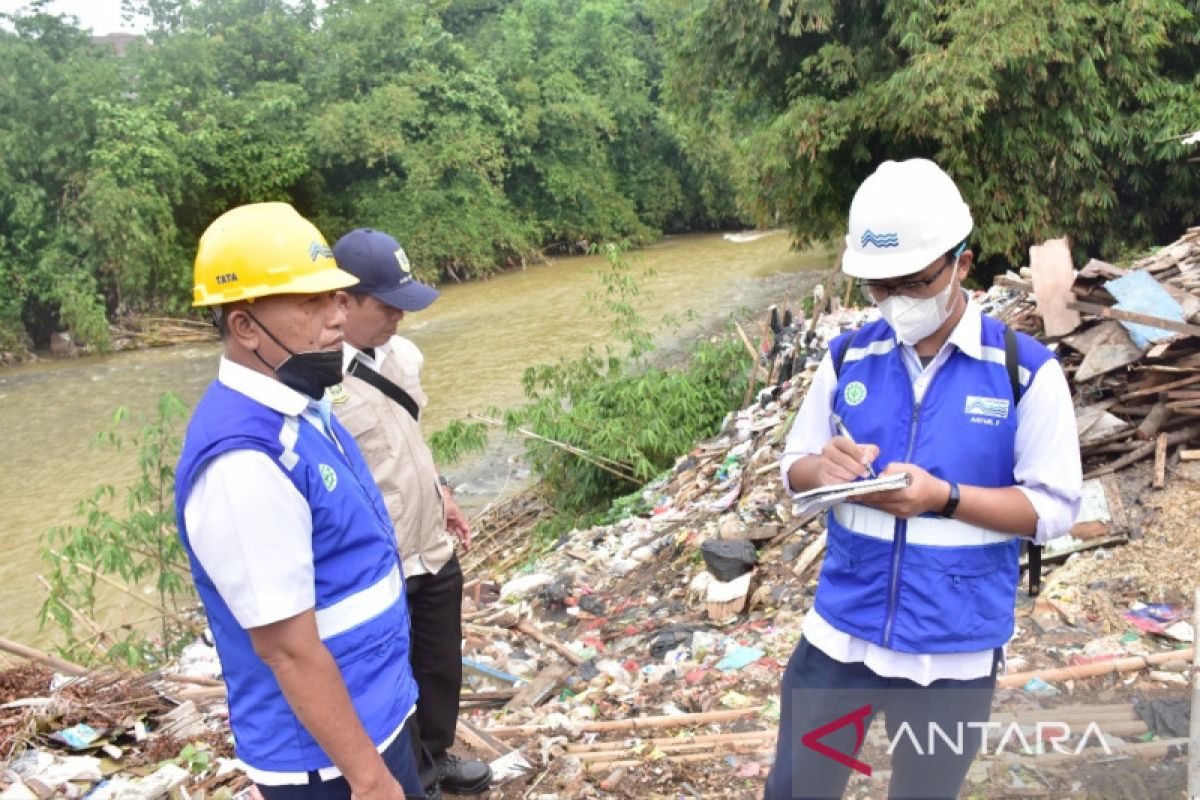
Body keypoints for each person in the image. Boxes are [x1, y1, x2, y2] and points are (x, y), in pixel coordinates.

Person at [765, 159, 1082, 799]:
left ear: (961, 263)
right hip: (840, 642)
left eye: (911, 283)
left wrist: (945, 499)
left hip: (953, 652)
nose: (894, 303)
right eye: (878, 288)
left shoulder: (1024, 372)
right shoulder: (849, 357)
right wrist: (819, 467)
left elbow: (1053, 508)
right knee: (798, 790)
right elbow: (792, 470)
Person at [175, 203, 424, 800]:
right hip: (327, 763)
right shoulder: (243, 461)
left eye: (337, 296)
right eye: (311, 302)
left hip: (374, 713)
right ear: (245, 327)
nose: (337, 314)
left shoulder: (301, 406)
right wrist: (370, 781)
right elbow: (287, 649)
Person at [329, 228, 492, 798]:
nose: (399, 316)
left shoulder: (403, 356)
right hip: (383, 557)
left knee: (439, 661)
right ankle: (413, 775)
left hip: (429, 540)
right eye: (387, 305)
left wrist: (443, 489)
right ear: (342, 301)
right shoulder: (317, 382)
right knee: (391, 676)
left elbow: (408, 437)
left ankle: (439, 754)